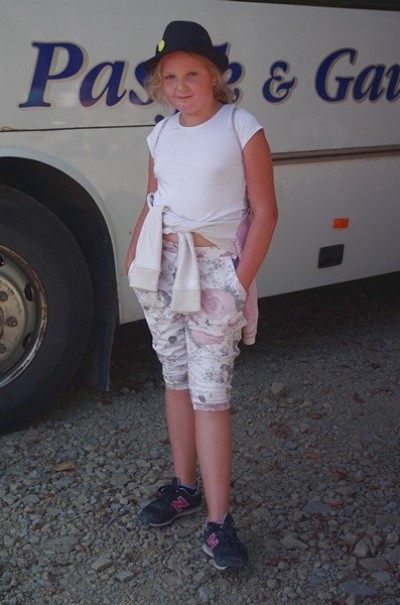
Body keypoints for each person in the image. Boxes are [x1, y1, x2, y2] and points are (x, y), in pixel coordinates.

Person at [125, 20, 278, 570]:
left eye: (192, 74)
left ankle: (218, 522)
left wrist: (238, 281)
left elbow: (265, 211)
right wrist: (135, 256)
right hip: (163, 269)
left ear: (214, 76)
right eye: (170, 77)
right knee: (176, 379)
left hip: (215, 273)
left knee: (211, 395)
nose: (180, 86)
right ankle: (183, 487)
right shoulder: (161, 134)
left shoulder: (241, 126)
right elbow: (153, 199)